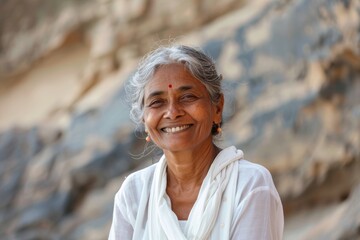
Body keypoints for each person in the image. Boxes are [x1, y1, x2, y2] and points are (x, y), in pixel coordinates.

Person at [108, 45, 284, 240]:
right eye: (157, 102)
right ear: (144, 119)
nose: (173, 112)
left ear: (217, 108)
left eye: (187, 97)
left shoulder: (248, 184)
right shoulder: (134, 193)